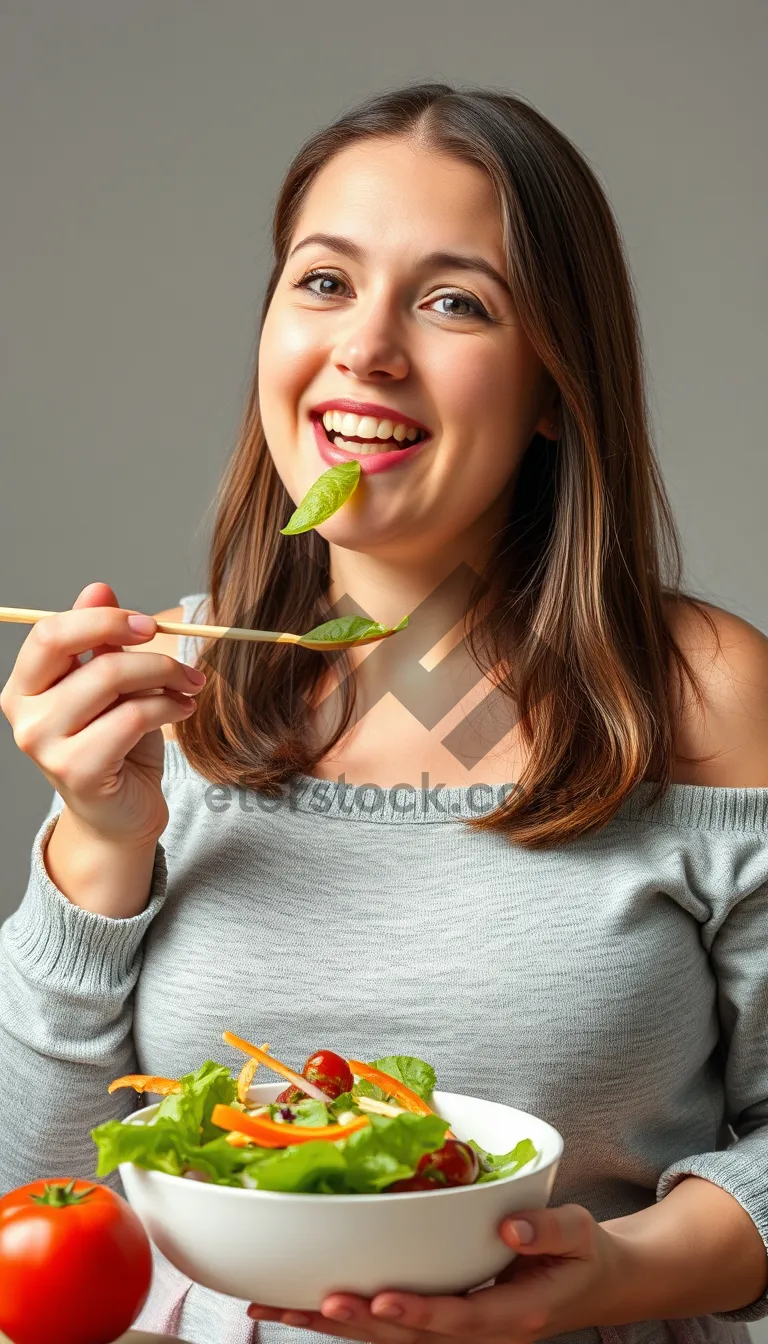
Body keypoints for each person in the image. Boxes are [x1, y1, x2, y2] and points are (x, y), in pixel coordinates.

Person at [1, 81, 767, 1344]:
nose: (365, 347)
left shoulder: (700, 695)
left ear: (556, 389)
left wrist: (622, 1276)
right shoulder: (158, 699)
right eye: (323, 282)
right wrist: (98, 842)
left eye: (454, 300)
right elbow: (45, 1203)